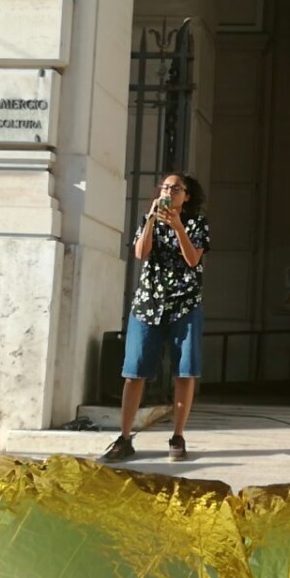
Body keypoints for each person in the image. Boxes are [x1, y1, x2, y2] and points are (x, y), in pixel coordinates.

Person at [99, 173, 210, 462]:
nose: (170, 192)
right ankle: (124, 437)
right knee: (134, 370)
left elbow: (192, 259)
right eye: (165, 187)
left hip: (184, 305)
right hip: (149, 303)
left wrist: (177, 227)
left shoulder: (197, 223)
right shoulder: (148, 220)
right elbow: (140, 252)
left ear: (186, 196)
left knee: (184, 371)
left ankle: (178, 436)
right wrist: (150, 220)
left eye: (176, 189)